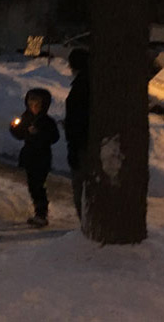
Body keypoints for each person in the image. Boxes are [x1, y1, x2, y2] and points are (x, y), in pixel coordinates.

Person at [9, 88, 59, 227]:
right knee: (32, 185)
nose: (33, 107)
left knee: (38, 186)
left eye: (37, 104)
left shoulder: (47, 122)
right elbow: (20, 135)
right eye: (31, 103)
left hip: (42, 158)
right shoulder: (26, 118)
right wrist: (15, 128)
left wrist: (39, 134)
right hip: (29, 156)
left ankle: (41, 214)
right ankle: (39, 212)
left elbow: (54, 137)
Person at [63, 49, 90, 219]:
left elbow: (78, 119)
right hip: (84, 143)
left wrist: (73, 144)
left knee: (81, 189)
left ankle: (86, 225)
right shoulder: (89, 83)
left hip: (81, 145)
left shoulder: (81, 87)